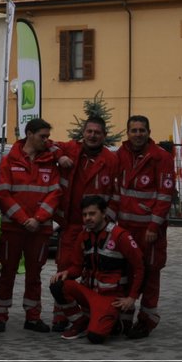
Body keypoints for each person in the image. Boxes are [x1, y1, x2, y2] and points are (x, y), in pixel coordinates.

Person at [50, 115, 119, 329]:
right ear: (83, 133)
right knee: (65, 267)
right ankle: (62, 316)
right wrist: (60, 157)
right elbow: (48, 144)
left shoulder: (111, 160)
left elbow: (117, 194)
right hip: (71, 223)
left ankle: (93, 313)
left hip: (98, 228)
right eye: (89, 131)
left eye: (97, 132)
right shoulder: (71, 149)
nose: (92, 135)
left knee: (95, 271)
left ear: (104, 136)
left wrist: (107, 222)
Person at [0, 117, 60, 333]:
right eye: (43, 136)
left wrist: (38, 219)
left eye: (48, 137)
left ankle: (33, 317)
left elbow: (55, 193)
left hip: (39, 230)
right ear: (29, 134)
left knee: (34, 275)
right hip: (14, 228)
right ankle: (0, 316)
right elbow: (3, 193)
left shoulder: (50, 160)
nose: (47, 141)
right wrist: (24, 220)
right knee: (7, 273)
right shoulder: (9, 160)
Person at [50, 195, 144, 343]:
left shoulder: (120, 236)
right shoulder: (83, 235)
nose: (88, 218)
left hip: (110, 298)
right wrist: (66, 273)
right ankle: (81, 322)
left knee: (95, 337)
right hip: (89, 292)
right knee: (57, 285)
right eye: (85, 214)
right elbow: (77, 267)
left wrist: (131, 298)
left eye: (92, 214)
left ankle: (114, 324)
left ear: (104, 213)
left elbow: (139, 267)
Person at [115, 115, 174, 337]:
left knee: (150, 274)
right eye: (134, 130)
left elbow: (165, 195)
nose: (138, 134)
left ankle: (147, 319)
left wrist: (153, 226)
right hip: (124, 228)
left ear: (149, 132)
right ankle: (124, 319)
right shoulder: (120, 155)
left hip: (149, 231)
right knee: (125, 272)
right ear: (127, 132)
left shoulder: (161, 157)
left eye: (142, 130)